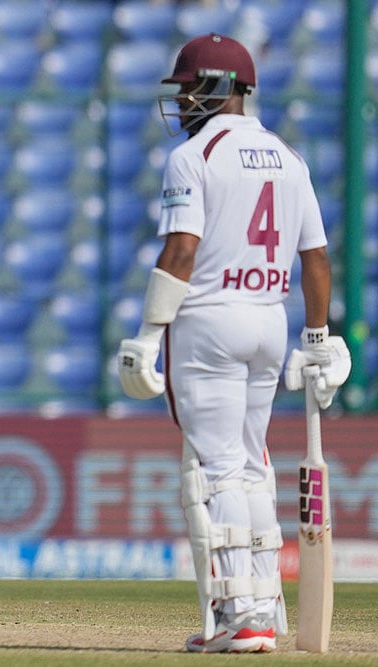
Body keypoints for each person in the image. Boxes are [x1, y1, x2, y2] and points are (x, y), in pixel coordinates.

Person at [116, 34, 350, 654]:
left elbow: (182, 250)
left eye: (190, 86)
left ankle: (242, 617)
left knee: (215, 469)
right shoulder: (288, 157)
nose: (183, 98)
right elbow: (317, 257)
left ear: (223, 86)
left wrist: (148, 334)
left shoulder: (195, 156)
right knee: (250, 464)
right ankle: (264, 601)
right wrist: (319, 337)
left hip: (210, 320)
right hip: (269, 320)